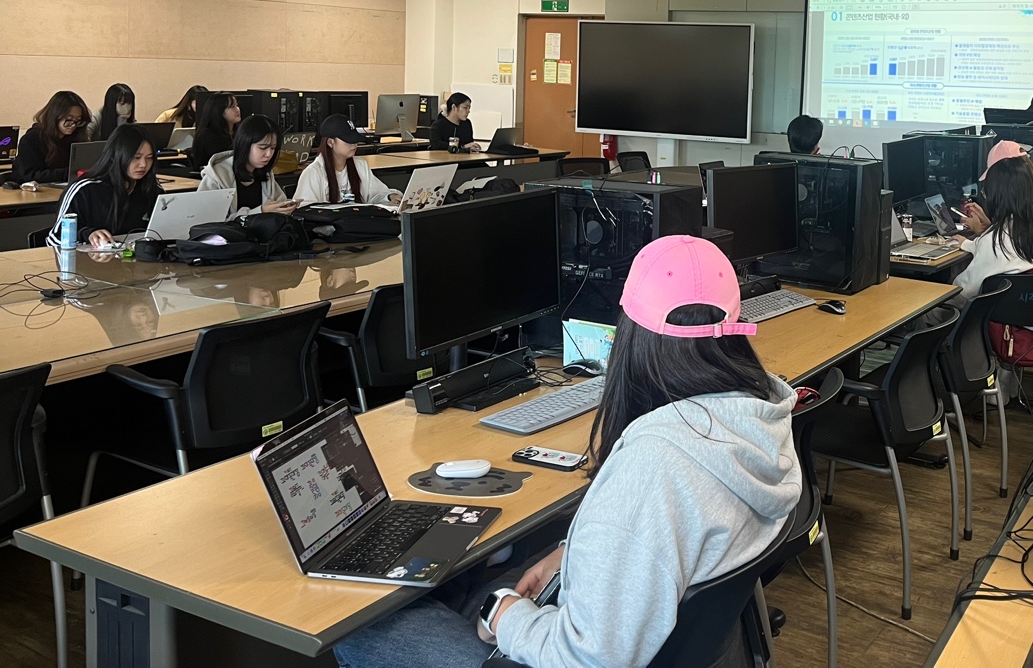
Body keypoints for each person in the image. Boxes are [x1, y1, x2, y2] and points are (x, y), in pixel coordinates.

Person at [332, 234, 801, 668]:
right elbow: (661, 540)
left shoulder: (654, 466)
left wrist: (506, 617)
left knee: (359, 630)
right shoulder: (759, 417)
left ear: (631, 333)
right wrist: (571, 554)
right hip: (671, 643)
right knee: (478, 576)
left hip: (581, 655)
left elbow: (591, 658)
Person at [950, 140, 1033, 305]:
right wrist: (988, 231)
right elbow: (1010, 256)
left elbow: (963, 294)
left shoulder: (996, 241)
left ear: (999, 192)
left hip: (990, 319)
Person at [47, 124, 159, 249]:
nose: (143, 164)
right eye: (136, 157)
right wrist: (88, 235)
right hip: (90, 259)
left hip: (134, 258)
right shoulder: (84, 190)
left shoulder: (150, 189)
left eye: (149, 158)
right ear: (116, 155)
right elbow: (54, 239)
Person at [198, 114, 296, 217]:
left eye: (273, 148)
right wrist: (260, 211)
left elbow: (279, 202)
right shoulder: (217, 177)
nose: (269, 154)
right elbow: (207, 221)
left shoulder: (265, 175)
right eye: (263, 148)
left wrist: (285, 208)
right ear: (245, 144)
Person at [293, 115, 401, 207]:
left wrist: (389, 197)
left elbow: (376, 193)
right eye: (348, 140)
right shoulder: (313, 172)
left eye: (355, 140)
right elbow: (305, 210)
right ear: (330, 142)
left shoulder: (360, 165)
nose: (354, 144)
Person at [14, 90, 91, 184]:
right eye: (69, 120)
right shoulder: (31, 140)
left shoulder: (75, 139)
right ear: (54, 116)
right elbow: (30, 175)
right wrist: (68, 173)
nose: (73, 125)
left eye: (78, 121)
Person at [189, 92, 242, 171]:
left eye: (237, 105)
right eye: (232, 107)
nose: (237, 109)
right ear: (219, 111)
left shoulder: (239, 131)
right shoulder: (208, 136)